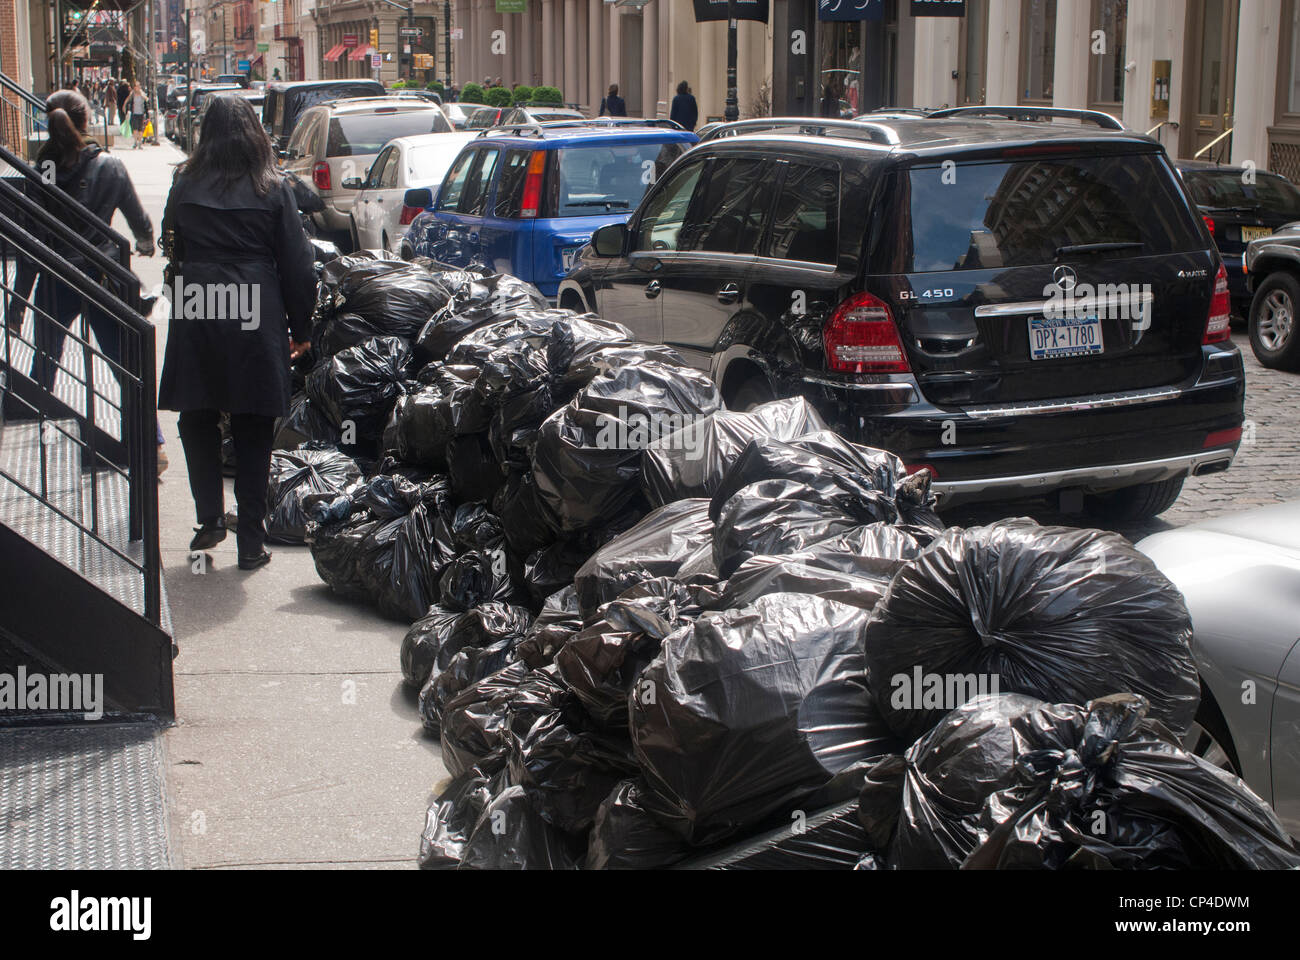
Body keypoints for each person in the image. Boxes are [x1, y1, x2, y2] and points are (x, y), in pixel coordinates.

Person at [158, 95, 316, 570]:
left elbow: (172, 241)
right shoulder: (272, 186)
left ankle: (209, 515)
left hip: (198, 299)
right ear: (254, 133)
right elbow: (297, 263)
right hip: (254, 300)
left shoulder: (184, 182)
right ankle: (250, 539)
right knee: (252, 422)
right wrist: (301, 326)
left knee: (197, 411)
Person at [7, 90, 164, 467]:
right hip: (103, 279)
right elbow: (140, 223)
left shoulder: (44, 168)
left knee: (45, 359)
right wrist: (145, 244)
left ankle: (31, 436)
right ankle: (151, 443)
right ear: (86, 120)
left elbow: (32, 237)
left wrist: (17, 306)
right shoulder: (109, 165)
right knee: (124, 365)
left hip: (57, 276)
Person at [129, 80, 148, 148]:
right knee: (135, 129)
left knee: (140, 129)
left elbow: (146, 103)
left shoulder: (142, 94)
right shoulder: (132, 94)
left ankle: (140, 143)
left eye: (138, 86)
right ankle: (135, 142)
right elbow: (129, 102)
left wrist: (147, 115)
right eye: (135, 86)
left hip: (141, 114)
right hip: (134, 114)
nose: (136, 87)